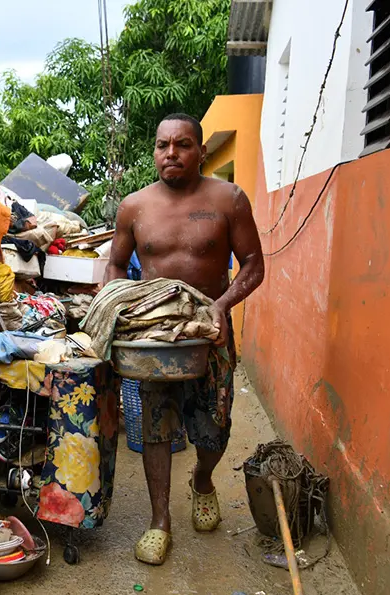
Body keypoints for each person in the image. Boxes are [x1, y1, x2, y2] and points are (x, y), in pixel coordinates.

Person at [105, 113, 265, 565]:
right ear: (154, 150)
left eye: (182, 144)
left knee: (214, 429)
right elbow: (116, 265)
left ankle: (202, 479)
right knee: (155, 425)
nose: (170, 153)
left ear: (201, 151)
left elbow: (253, 263)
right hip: (154, 335)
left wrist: (222, 305)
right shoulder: (134, 206)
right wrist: (116, 305)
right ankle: (160, 522)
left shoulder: (228, 198)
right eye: (162, 145)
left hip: (208, 333)